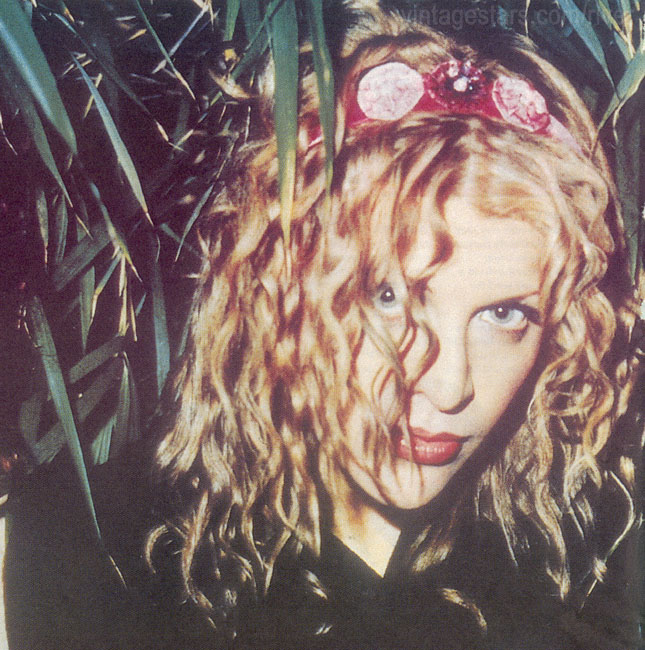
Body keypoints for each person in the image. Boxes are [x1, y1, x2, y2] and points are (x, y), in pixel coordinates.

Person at [5, 6, 640, 650]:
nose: (449, 386)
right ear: (278, 288)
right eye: (388, 297)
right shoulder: (94, 552)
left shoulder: (596, 558)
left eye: (505, 315)